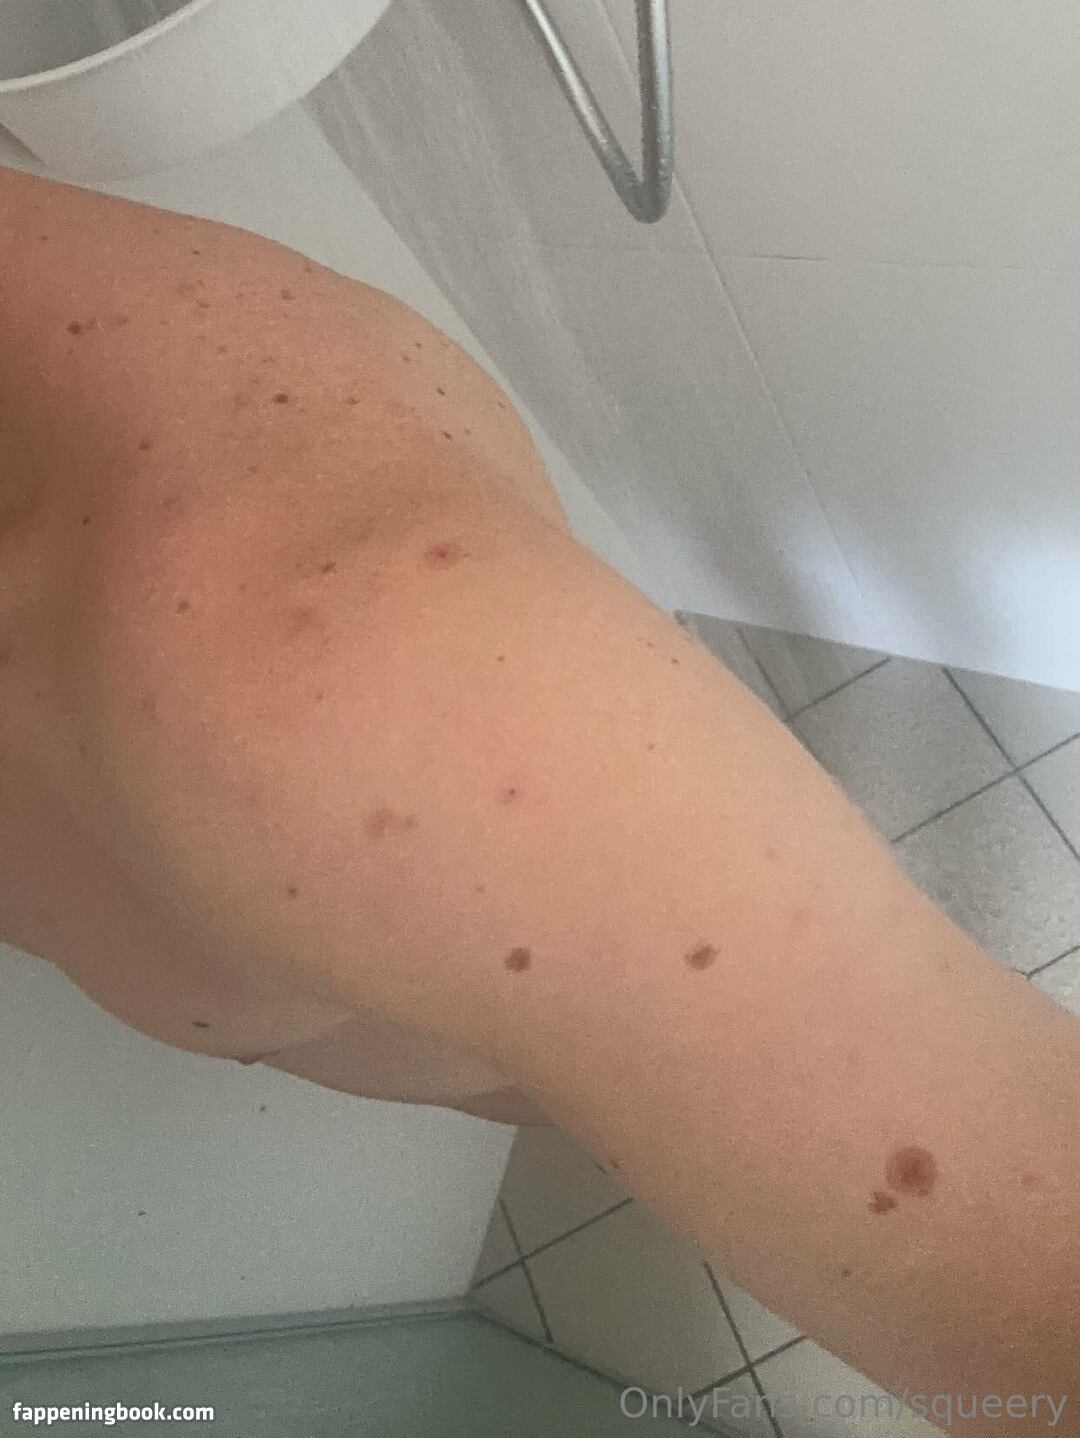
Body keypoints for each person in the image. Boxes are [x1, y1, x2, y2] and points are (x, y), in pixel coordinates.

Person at [0, 159, 1076, 1426]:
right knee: (513, 1065)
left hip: (315, 752)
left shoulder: (370, 689)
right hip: (247, 910)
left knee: (544, 1050)